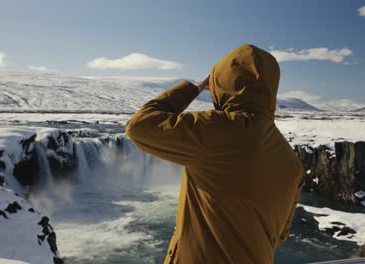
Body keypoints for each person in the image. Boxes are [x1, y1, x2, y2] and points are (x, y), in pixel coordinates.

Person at [125, 44, 304, 264]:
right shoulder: (289, 159)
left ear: (223, 83)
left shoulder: (218, 131)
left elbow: (139, 127)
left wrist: (194, 88)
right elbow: (280, 235)